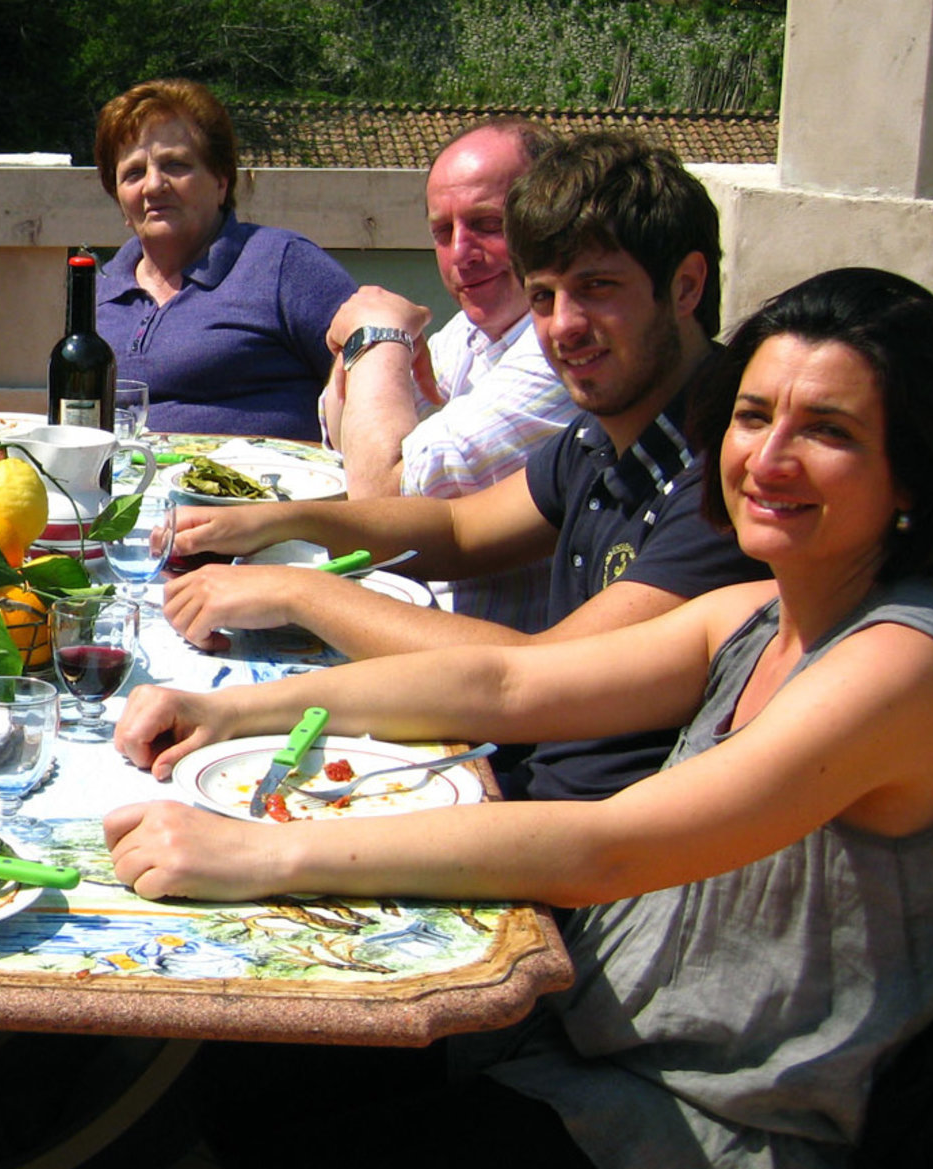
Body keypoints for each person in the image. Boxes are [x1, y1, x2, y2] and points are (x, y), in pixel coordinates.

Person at [102, 267, 933, 1169]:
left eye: (828, 431)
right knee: (261, 1077)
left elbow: (605, 848)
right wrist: (242, 716)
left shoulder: (900, 666)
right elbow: (510, 686)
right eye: (754, 416)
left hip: (730, 1139)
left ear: (912, 470)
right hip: (614, 1041)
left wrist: (262, 855)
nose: (766, 459)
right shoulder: (764, 610)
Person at [164, 131, 769, 802]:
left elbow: (536, 678)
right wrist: (265, 524)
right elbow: (452, 527)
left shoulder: (730, 476)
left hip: (588, 841)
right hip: (518, 776)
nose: (563, 326)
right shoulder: (610, 433)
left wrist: (297, 590)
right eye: (542, 297)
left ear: (684, 287)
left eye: (596, 289)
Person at [321, 119, 578, 631]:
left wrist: (376, 332)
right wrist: (366, 339)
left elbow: (382, 503)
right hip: (425, 631)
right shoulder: (471, 334)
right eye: (443, 231)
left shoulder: (563, 355)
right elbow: (343, 435)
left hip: (502, 673)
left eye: (486, 224)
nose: (460, 252)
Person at [92, 78, 356, 440]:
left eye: (176, 165)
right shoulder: (97, 297)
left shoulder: (282, 266)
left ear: (221, 181)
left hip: (261, 492)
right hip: (124, 492)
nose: (153, 185)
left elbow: (372, 372)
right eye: (134, 173)